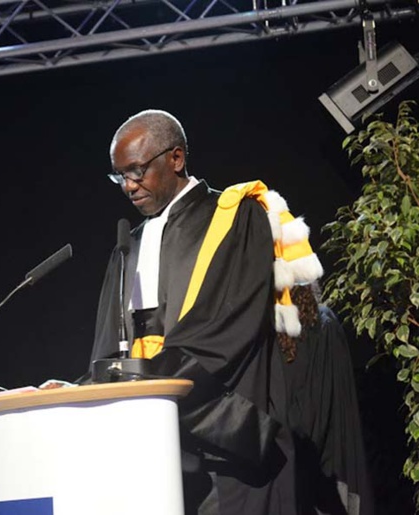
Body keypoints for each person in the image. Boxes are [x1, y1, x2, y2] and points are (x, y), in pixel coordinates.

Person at [87, 110, 325, 515]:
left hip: (231, 432)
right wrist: (78, 389)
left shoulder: (235, 217)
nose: (128, 185)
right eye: (119, 176)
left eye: (137, 171)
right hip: (155, 443)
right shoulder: (128, 246)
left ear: (176, 158)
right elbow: (110, 349)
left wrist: (150, 381)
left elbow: (225, 326)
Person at [278, 283, 373, 515]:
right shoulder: (281, 329)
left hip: (314, 465)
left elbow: (320, 412)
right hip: (301, 463)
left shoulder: (321, 326)